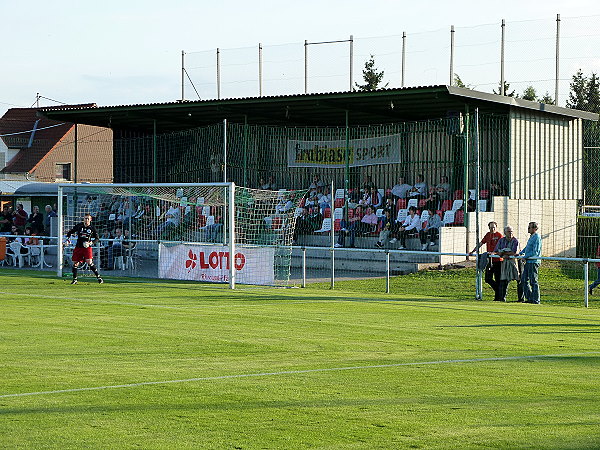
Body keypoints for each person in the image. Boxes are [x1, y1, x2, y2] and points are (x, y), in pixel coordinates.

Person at [65, 213, 103, 285]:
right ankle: (75, 279)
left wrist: (90, 243)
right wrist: (67, 239)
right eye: (85, 218)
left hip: (87, 247)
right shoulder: (79, 226)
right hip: (78, 247)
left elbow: (97, 238)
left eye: (88, 219)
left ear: (90, 220)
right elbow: (70, 232)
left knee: (89, 262)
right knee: (75, 263)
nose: (86, 220)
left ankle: (99, 277)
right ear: (83, 219)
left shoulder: (92, 228)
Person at [471, 221, 503, 300]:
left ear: (496, 227)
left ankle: (498, 297)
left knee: (498, 279)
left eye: (494, 227)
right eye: (491, 227)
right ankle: (499, 292)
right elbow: (481, 243)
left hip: (498, 260)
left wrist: (495, 252)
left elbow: (501, 247)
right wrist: (473, 251)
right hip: (490, 260)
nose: (492, 229)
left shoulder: (499, 235)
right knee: (488, 279)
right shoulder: (487, 235)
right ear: (489, 228)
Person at [493, 226, 523, 302]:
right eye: (509, 232)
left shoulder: (515, 241)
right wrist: (503, 253)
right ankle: (502, 298)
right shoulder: (501, 240)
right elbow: (497, 251)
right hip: (505, 262)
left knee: (519, 279)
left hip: (516, 262)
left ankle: (521, 298)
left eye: (511, 231)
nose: (511, 233)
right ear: (505, 233)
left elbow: (514, 252)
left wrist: (504, 253)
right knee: (504, 280)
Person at [519, 222, 542, 304]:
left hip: (533, 261)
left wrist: (525, 256)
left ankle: (536, 300)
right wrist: (521, 253)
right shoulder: (531, 237)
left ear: (534, 229)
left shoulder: (537, 237)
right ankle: (529, 298)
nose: (528, 229)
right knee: (524, 280)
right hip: (528, 261)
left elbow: (535, 251)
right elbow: (528, 247)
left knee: (533, 281)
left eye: (529, 228)